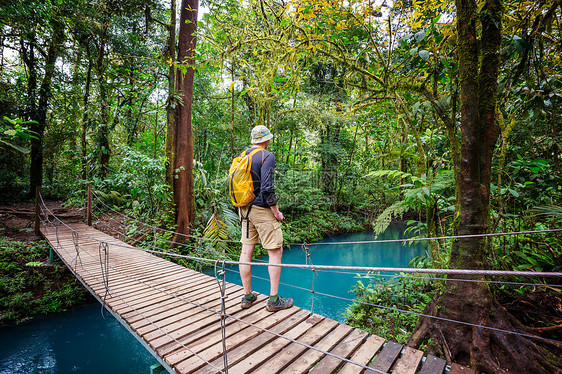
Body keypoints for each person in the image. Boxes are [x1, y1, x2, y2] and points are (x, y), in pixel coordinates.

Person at [238, 125, 294, 312]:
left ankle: (247, 297)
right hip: (262, 209)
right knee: (275, 252)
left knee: (246, 252)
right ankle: (273, 300)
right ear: (265, 139)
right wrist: (276, 211)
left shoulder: (243, 155)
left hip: (244, 209)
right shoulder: (266, 156)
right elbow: (268, 187)